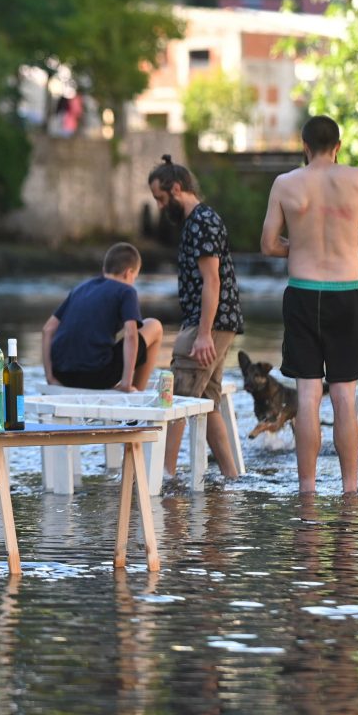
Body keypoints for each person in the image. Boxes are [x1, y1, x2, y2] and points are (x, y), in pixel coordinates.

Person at [260, 115, 358, 494]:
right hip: (345, 291)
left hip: (302, 291)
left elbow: (268, 244)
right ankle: (350, 489)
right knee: (345, 396)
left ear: (303, 146)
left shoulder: (285, 183)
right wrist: (348, 244)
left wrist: (297, 246)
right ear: (339, 146)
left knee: (309, 395)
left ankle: (308, 489)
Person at [147, 155, 241, 479]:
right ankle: (232, 478)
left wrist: (202, 333)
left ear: (176, 189)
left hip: (208, 324)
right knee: (207, 403)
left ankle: (164, 477)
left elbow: (211, 280)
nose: (159, 206)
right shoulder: (198, 220)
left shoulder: (202, 221)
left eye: (160, 198)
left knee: (176, 400)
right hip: (216, 322)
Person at [42, 242, 164, 392]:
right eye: (135, 277)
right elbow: (131, 335)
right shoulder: (126, 291)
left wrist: (50, 377)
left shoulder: (81, 287)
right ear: (128, 273)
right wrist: (125, 382)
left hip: (61, 376)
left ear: (104, 269)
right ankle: (136, 393)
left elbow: (48, 329)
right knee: (154, 325)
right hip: (95, 376)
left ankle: (130, 387)